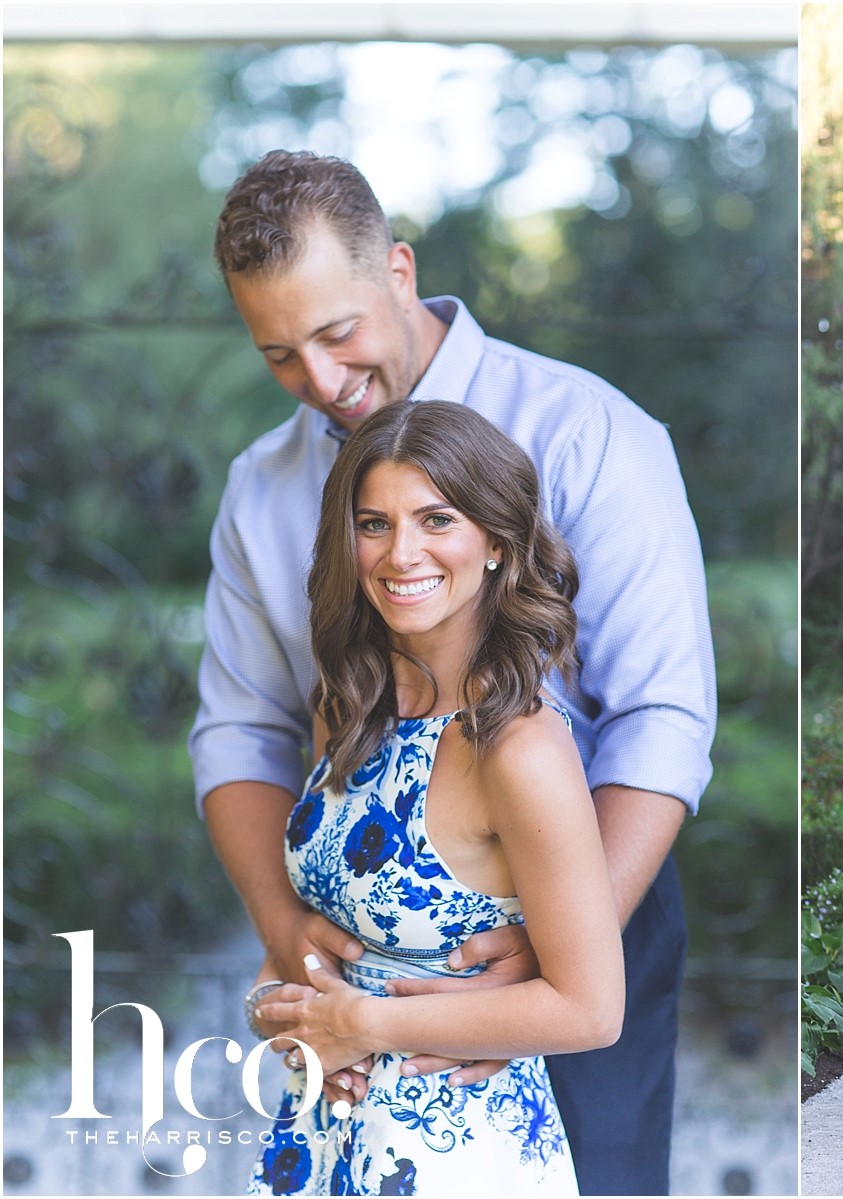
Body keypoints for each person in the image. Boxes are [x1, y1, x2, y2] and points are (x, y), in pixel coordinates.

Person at [191, 151, 715, 1193]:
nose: (324, 382)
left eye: (337, 334)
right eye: (280, 355)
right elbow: (242, 729)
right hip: (362, 942)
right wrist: (290, 934)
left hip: (589, 894)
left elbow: (661, 711)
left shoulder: (589, 429)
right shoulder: (260, 489)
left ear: (396, 270)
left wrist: (553, 951)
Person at [247, 400, 624, 1193]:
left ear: (495, 541)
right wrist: (283, 1016)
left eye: (436, 518)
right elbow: (317, 935)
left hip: (458, 1152)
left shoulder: (519, 747)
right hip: (319, 1133)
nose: (401, 552)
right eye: (374, 522)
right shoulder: (348, 704)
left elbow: (592, 1007)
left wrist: (365, 1024)